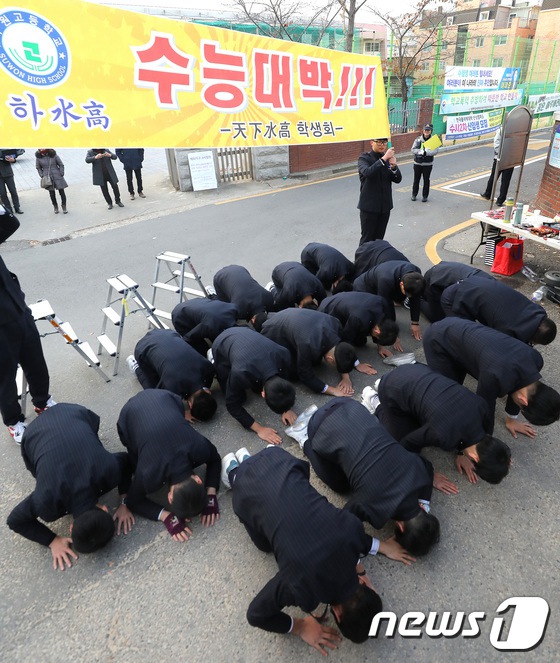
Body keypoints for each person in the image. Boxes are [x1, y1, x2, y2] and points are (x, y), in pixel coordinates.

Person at [221, 445, 384, 651]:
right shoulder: (299, 586)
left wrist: (360, 568)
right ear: (339, 616)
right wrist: (299, 626)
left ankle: (249, 461)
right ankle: (235, 473)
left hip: (279, 459)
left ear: (364, 584)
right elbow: (256, 614)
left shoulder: (352, 532)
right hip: (246, 487)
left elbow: (351, 542)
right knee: (264, 546)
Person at [299, 398, 441, 557]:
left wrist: (425, 497)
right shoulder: (370, 504)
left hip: (349, 405)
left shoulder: (419, 471)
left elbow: (428, 466)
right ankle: (304, 440)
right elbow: (343, 526)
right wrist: (381, 546)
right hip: (318, 426)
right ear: (400, 527)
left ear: (423, 510)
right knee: (340, 486)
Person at [7, 403, 134, 571]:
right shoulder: (47, 501)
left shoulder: (108, 472)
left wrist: (125, 500)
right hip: (36, 430)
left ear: (105, 509)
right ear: (71, 527)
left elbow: (125, 460)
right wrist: (52, 541)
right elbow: (14, 520)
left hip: (70, 412)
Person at [374, 364, 511, 486]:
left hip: (417, 370)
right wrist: (428, 474)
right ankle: (375, 401)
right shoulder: (442, 435)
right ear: (475, 458)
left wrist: (462, 453)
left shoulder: (481, 408)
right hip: (391, 388)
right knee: (397, 445)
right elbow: (408, 443)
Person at [423, 318, 560, 438]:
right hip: (439, 339)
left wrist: (511, 420)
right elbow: (485, 408)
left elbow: (522, 386)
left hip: (462, 331)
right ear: (523, 402)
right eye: (521, 409)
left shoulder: (536, 359)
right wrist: (485, 442)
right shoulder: (495, 376)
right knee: (448, 393)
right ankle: (415, 372)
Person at [117, 389, 221, 540]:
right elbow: (133, 500)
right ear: (170, 497)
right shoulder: (148, 473)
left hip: (163, 396)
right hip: (128, 415)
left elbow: (215, 458)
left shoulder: (199, 447)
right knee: (135, 459)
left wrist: (211, 495)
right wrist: (166, 516)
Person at [1, 207, 55, 445]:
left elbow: (10, 225)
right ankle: (13, 422)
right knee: (5, 377)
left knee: (35, 362)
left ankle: (42, 402)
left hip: (19, 310)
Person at [255, 308, 375, 396]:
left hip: (295, 319)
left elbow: (343, 348)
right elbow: (305, 376)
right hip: (275, 330)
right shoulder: (307, 344)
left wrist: (346, 377)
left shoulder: (335, 324)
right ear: (329, 359)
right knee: (294, 374)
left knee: (313, 361)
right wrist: (333, 390)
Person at [212, 326, 296, 445]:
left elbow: (285, 378)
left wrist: (286, 409)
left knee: (253, 384)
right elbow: (232, 405)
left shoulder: (284, 354)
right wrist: (259, 429)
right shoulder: (240, 372)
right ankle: (213, 360)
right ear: (263, 394)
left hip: (247, 334)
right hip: (222, 343)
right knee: (239, 397)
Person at [126, 328, 217, 422]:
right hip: (142, 349)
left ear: (208, 392)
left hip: (167, 333)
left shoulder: (208, 369)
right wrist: (182, 413)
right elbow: (161, 402)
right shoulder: (172, 387)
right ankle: (136, 366)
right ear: (189, 405)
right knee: (151, 390)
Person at [440, 276, 556, 346]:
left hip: (473, 283)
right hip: (453, 299)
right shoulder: (507, 329)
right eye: (534, 342)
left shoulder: (535, 310)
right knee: (463, 337)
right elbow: (497, 346)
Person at [353, 260, 425, 342]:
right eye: (408, 294)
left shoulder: (416, 274)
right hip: (365, 288)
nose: (409, 297)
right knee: (375, 314)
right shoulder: (386, 280)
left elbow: (416, 297)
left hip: (386, 283)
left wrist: (415, 323)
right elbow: (385, 305)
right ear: (401, 284)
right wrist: (392, 332)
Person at [318, 291, 399, 356]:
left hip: (345, 301)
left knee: (361, 342)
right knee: (339, 344)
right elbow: (347, 341)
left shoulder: (383, 304)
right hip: (327, 310)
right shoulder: (359, 318)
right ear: (377, 330)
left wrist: (381, 348)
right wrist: (356, 364)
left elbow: (382, 330)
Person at [357, 137, 402, 244]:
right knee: (367, 239)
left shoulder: (387, 160)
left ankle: (375, 260)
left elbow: (397, 179)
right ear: (372, 142)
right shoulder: (364, 158)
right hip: (369, 207)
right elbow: (368, 172)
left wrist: (394, 167)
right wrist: (384, 158)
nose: (382, 145)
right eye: (379, 142)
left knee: (379, 239)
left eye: (384, 143)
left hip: (385, 207)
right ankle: (361, 260)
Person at [421, 260, 494, 322]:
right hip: (433, 279)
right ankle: (418, 299)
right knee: (437, 318)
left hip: (446, 271)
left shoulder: (492, 285)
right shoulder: (474, 294)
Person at [171, 297, 238, 356]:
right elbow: (190, 337)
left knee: (215, 336)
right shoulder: (208, 326)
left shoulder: (233, 308)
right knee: (197, 344)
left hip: (197, 303)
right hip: (180, 317)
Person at [480, 126, 514, 206]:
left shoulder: (502, 129)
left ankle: (488, 194)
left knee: (494, 177)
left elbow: (496, 142)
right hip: (510, 158)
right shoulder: (517, 130)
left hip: (500, 158)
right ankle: (500, 200)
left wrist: (499, 154)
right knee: (505, 180)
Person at [35, 149, 68, 214]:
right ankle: (55, 206)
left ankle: (64, 206)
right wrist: (42, 175)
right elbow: (38, 168)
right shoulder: (38, 157)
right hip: (47, 177)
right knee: (52, 193)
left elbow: (61, 164)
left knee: (62, 191)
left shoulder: (53, 155)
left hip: (57, 175)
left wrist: (61, 173)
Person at [411, 124, 439, 202]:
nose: (426, 132)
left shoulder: (434, 140)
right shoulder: (418, 140)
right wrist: (420, 151)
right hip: (418, 163)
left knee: (426, 180)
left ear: (431, 131)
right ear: (423, 131)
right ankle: (414, 194)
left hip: (428, 164)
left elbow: (435, 151)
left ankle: (425, 196)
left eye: (428, 130)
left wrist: (426, 153)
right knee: (416, 180)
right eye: (425, 130)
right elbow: (413, 149)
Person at [0, 149, 23, 214]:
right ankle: (8, 209)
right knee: (3, 193)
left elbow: (13, 158)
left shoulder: (4, 149)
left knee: (13, 191)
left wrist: (13, 160)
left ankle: (17, 207)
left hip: (8, 174)